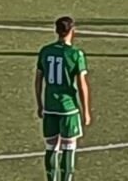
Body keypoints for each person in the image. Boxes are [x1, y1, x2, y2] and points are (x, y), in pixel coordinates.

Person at [36, 16, 91, 181]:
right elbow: (82, 85)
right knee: (68, 147)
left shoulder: (45, 51)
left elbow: (38, 80)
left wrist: (40, 104)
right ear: (72, 31)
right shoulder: (75, 54)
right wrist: (86, 111)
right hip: (68, 108)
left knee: (51, 147)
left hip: (50, 106)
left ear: (56, 31)